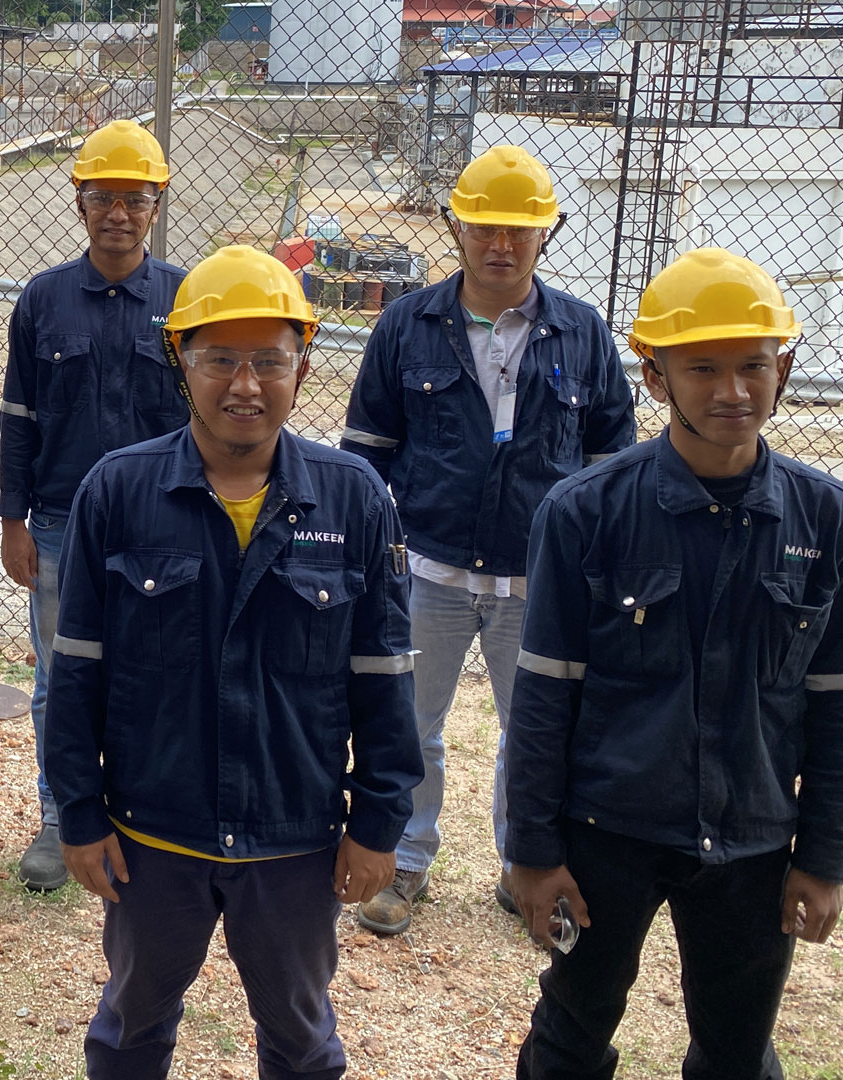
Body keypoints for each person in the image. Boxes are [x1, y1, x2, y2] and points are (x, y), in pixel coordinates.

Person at [47, 246, 420, 1078]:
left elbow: (384, 680)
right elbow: (75, 672)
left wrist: (377, 825)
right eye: (219, 359)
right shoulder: (118, 492)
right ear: (180, 363)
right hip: (154, 831)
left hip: (293, 836)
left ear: (303, 366)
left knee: (300, 1039)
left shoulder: (354, 497)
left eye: (269, 361)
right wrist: (78, 811)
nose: (245, 385)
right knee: (131, 1027)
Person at [506, 248, 843, 1078]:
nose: (733, 390)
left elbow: (840, 702)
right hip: (607, 834)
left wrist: (824, 858)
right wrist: (533, 851)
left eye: (754, 365)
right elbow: (544, 698)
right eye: (702, 368)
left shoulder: (825, 517)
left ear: (784, 369)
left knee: (738, 1047)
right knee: (571, 1032)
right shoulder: (586, 512)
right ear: (654, 376)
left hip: (753, 841)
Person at [340, 144, 636, 934]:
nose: (500, 245)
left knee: (535, 732)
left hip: (539, 580)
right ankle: (404, 861)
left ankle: (525, 865)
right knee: (409, 725)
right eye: (483, 227)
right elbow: (365, 456)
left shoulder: (582, 333)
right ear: (457, 228)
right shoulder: (407, 325)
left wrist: (597, 566)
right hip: (428, 570)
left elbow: (612, 464)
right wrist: (367, 557)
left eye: (519, 230)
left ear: (546, 233)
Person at [0, 119, 189, 891]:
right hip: (60, 525)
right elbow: (18, 418)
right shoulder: (43, 300)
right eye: (103, 197)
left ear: (156, 205)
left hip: (159, 526)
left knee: (156, 668)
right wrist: (12, 521)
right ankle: (61, 817)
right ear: (79, 202)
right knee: (59, 677)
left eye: (134, 199)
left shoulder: (184, 299)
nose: (118, 213)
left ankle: (146, 811)